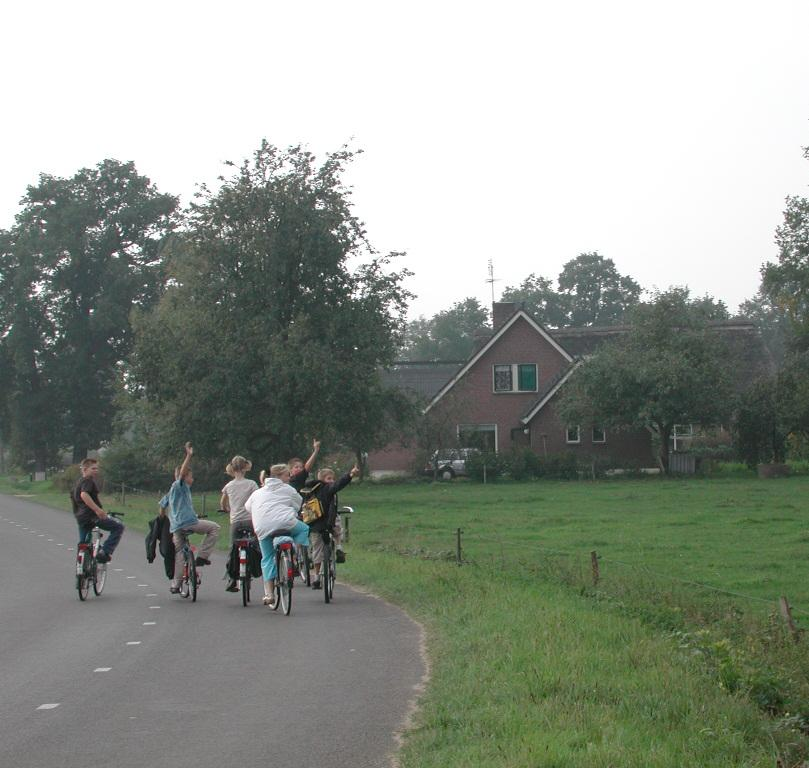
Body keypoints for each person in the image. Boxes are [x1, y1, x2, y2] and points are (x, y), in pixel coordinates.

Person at [245, 464, 310, 607]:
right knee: (304, 529)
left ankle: (269, 594)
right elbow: (298, 504)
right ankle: (294, 556)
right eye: (287, 475)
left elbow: (248, 507)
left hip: (262, 527)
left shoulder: (258, 492)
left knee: (267, 558)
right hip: (286, 523)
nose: (289, 477)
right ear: (279, 476)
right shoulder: (289, 489)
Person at [166, 442, 220, 594]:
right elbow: (182, 474)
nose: (192, 479)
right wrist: (188, 456)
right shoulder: (179, 486)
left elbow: (163, 505)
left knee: (179, 553)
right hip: (189, 523)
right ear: (184, 477)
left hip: (176, 526)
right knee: (214, 528)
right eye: (191, 476)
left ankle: (176, 584)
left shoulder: (172, 491)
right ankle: (202, 556)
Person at [303, 465, 359, 589]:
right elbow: (339, 484)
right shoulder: (328, 488)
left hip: (315, 524)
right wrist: (350, 475)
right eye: (329, 478)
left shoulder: (309, 490)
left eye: (332, 479)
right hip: (329, 521)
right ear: (323, 479)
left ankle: (317, 578)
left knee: (317, 550)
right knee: (337, 529)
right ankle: (339, 547)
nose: (332, 481)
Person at [71, 457, 124, 563]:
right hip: (91, 517)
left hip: (81, 518)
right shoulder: (88, 481)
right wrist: (98, 510)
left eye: (97, 469)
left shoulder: (78, 483)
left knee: (84, 544)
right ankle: (104, 552)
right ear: (85, 469)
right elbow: (84, 495)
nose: (96, 471)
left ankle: (81, 571)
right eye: (93, 468)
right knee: (118, 527)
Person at [220, 456, 258, 592]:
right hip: (250, 520)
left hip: (235, 521)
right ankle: (255, 568)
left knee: (232, 549)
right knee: (255, 544)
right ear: (245, 467)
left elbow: (223, 503)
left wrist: (226, 509)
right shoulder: (252, 484)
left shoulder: (228, 486)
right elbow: (256, 499)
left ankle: (232, 579)